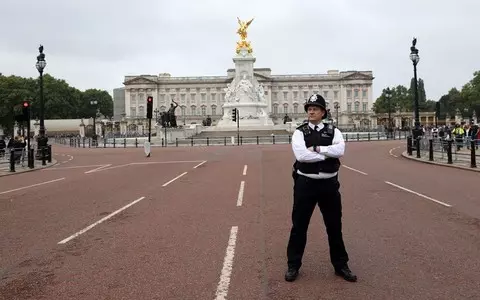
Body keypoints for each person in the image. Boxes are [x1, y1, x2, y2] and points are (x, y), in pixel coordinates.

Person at [285, 93, 357, 283]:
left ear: (323, 112)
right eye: (309, 108)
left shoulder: (334, 131)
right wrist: (328, 154)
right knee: (299, 226)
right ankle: (293, 265)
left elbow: (340, 151)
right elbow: (301, 156)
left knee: (334, 226)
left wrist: (317, 150)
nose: (311, 111)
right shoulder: (299, 132)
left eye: (315, 108)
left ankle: (341, 265)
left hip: (329, 185)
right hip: (305, 184)